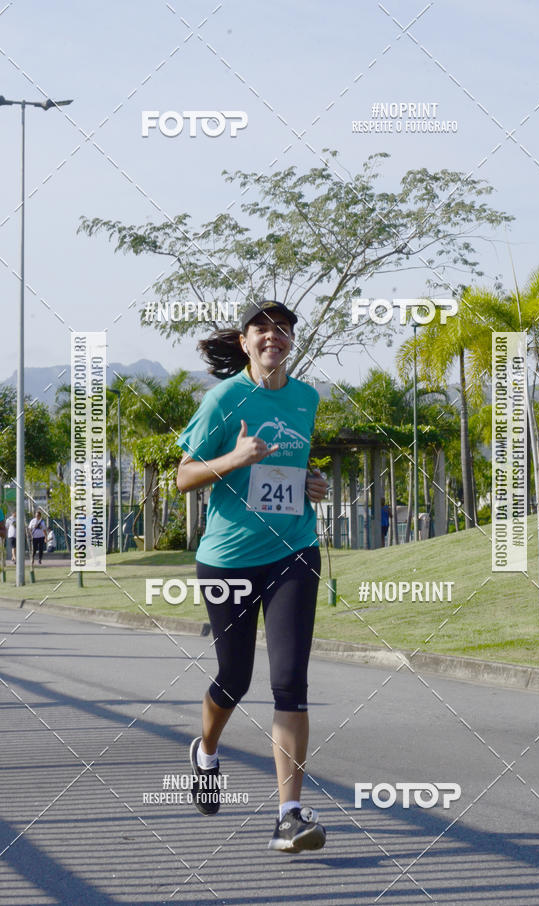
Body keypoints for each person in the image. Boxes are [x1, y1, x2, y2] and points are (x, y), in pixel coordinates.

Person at [177, 299, 328, 853]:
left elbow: (290, 466)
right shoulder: (224, 400)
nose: (273, 336)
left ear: (291, 340)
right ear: (244, 341)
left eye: (283, 329)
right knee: (234, 677)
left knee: (289, 681)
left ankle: (289, 814)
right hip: (230, 557)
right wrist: (234, 459)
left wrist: (312, 483)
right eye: (261, 328)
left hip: (294, 552)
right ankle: (207, 752)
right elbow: (184, 475)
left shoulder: (307, 398)